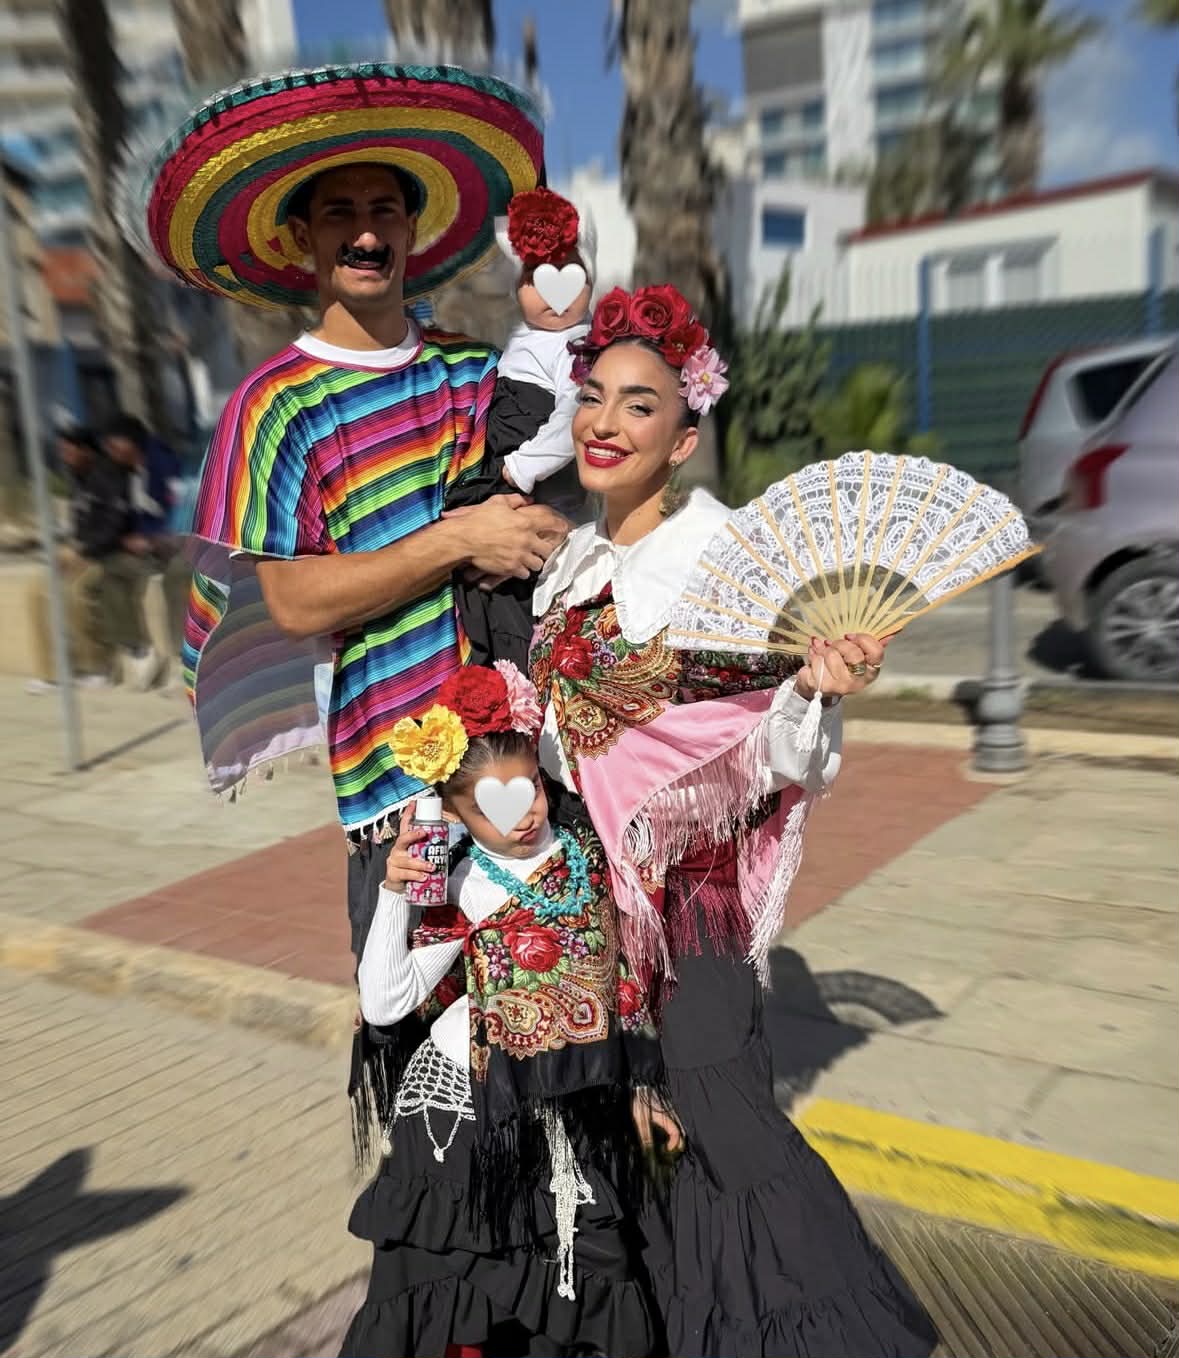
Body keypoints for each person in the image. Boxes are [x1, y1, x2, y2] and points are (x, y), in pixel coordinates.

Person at [527, 284, 939, 1357]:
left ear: (683, 437)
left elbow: (779, 748)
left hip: (693, 905)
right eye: (594, 397)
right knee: (651, 1133)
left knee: (726, 1121)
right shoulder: (571, 565)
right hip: (594, 905)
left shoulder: (724, 558)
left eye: (640, 405)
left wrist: (814, 688)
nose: (605, 423)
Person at [131, 64, 569, 961]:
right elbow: (295, 602)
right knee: (411, 1011)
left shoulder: (471, 371)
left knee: (535, 1002)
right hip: (400, 781)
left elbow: (545, 512)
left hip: (518, 752)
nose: (366, 232)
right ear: (301, 238)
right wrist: (458, 539)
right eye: (339, 213)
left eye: (384, 210)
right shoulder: (272, 406)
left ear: (412, 229)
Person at [343, 661, 664, 1358]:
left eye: (531, 789)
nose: (523, 814)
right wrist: (394, 891)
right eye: (492, 805)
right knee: (452, 1299)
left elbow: (619, 982)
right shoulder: (458, 879)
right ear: (455, 812)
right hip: (463, 1116)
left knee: (585, 1285)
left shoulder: (589, 852)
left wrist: (642, 1090)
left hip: (567, 1106)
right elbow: (386, 1003)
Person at [449, 186, 596, 670]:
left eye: (572, 275)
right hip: (506, 455)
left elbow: (575, 414)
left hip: (527, 472)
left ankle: (509, 663)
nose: (555, 295)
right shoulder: (525, 336)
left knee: (513, 581)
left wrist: (521, 468)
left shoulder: (580, 343)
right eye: (536, 279)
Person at [27, 427, 128, 694]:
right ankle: (53, 673)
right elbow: (79, 524)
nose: (65, 455)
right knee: (36, 591)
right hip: (80, 550)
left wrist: (84, 552)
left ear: (87, 451)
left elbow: (116, 527)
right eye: (62, 450)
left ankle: (98, 667)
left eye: (69, 450)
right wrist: (71, 550)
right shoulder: (77, 478)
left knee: (75, 593)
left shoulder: (109, 477)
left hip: (107, 554)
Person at [102, 412, 188, 690]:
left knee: (177, 575)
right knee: (112, 570)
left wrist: (152, 540)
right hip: (151, 550)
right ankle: (139, 651)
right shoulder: (127, 471)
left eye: (114, 445)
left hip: (182, 545)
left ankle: (184, 660)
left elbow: (184, 514)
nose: (111, 452)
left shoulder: (165, 464)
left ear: (130, 442)